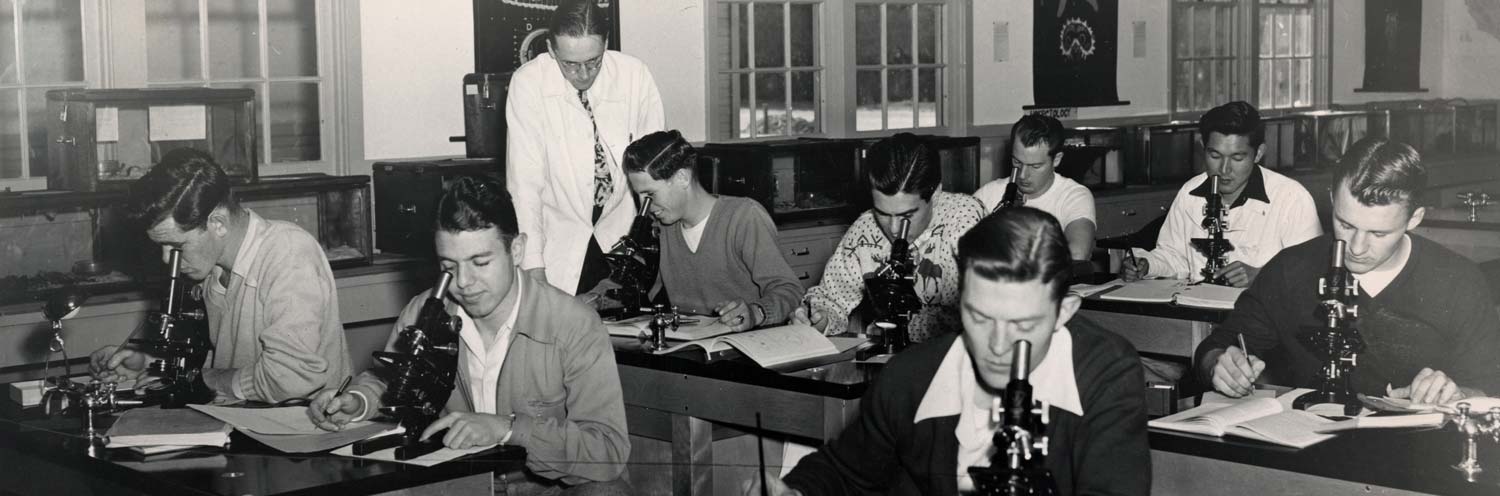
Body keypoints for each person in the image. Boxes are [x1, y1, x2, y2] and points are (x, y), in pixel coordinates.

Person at [749, 208, 1150, 496]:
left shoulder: (1105, 372)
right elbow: (844, 471)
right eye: (979, 317)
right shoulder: (912, 377)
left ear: (1064, 312)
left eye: (1023, 326)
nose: (996, 347)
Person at [308, 175, 631, 494]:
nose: (463, 282)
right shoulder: (424, 312)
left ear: (517, 250)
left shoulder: (574, 324)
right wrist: (359, 401)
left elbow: (606, 451)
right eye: (449, 266)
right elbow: (394, 383)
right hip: (458, 486)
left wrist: (508, 429)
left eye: (480, 262)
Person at [1196, 138, 1500, 404]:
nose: (1355, 247)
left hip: (1415, 458)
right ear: (1332, 199)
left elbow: (1489, 387)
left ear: (1415, 218)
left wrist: (1460, 393)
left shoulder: (1459, 282)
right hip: (1309, 452)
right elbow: (1215, 347)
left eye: (1378, 234)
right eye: (1345, 224)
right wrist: (1219, 365)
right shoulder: (1290, 270)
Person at [89, 148, 350, 403]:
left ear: (218, 223)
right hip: (241, 422)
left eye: (177, 246)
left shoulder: (288, 252)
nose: (167, 259)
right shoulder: (210, 267)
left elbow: (291, 378)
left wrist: (199, 379)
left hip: (306, 429)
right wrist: (154, 367)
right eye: (162, 247)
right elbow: (227, 367)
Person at [507, 0, 665, 297]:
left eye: (593, 61)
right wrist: (534, 268)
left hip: (624, 232)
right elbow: (525, 185)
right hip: (558, 240)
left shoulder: (634, 75)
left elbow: (656, 168)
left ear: (606, 44)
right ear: (552, 50)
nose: (583, 74)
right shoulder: (528, 83)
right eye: (570, 64)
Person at [792, 133, 985, 342]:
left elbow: (972, 313)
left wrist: (900, 328)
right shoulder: (865, 229)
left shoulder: (964, 217)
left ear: (936, 194)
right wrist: (821, 319)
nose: (893, 229)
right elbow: (831, 297)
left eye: (907, 215)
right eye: (882, 213)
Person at [1120, 101, 1321, 287]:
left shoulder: (1291, 198)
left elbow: (1311, 271)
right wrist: (1147, 264)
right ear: (1203, 149)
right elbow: (1175, 256)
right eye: (1214, 155)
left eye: (1237, 157)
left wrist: (1261, 276)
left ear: (1258, 153)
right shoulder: (1190, 193)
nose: (1224, 169)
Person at [622, 130, 804, 331]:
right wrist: (591, 300)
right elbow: (629, 281)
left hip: (747, 346)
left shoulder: (743, 217)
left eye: (650, 194)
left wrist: (755, 313)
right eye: (639, 196)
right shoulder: (661, 227)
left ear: (682, 177)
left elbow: (790, 290)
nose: (644, 206)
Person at [974, 114, 1096, 261]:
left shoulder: (1074, 196)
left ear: (1056, 159)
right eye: (1017, 162)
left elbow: (1078, 254)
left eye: (1035, 166)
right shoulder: (989, 194)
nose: (1023, 175)